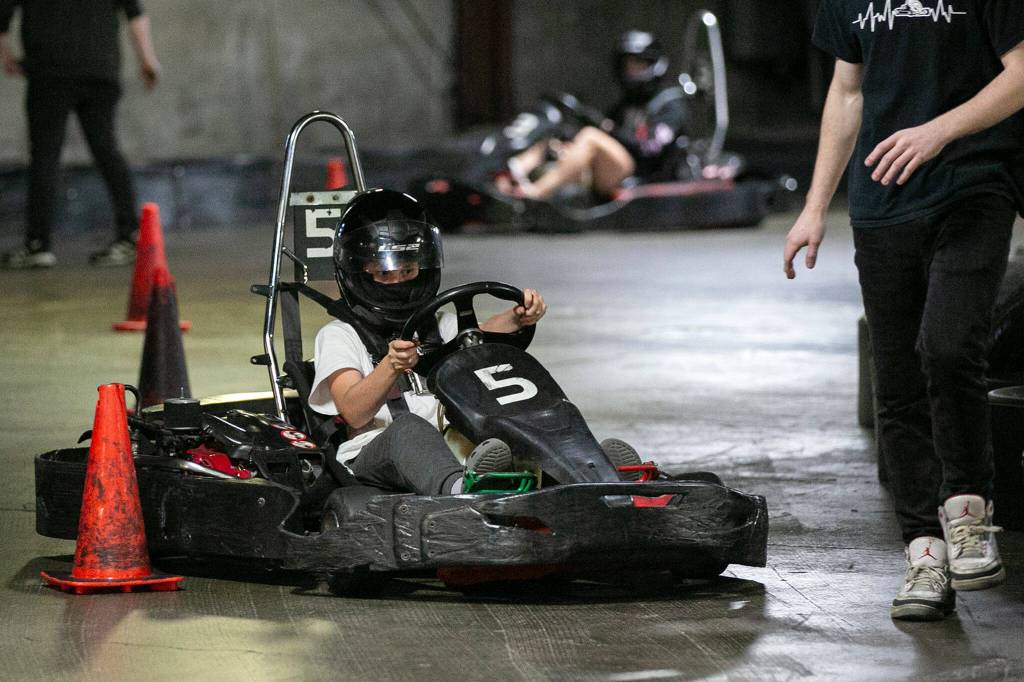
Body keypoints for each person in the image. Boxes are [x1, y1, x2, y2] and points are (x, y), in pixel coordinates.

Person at [784, 1, 1024, 621]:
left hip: (975, 184)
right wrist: (815, 206)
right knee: (896, 381)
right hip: (882, 202)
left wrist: (940, 129)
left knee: (947, 346)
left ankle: (967, 512)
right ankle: (923, 554)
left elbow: (1022, 72)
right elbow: (846, 91)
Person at [308, 189, 548, 496]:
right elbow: (354, 412)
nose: (398, 281)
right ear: (360, 272)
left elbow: (480, 335)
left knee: (513, 404)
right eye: (384, 273)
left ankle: (583, 475)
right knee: (408, 428)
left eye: (407, 270)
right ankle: (463, 491)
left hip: (450, 444)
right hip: (375, 456)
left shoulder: (438, 325)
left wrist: (519, 316)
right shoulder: (339, 335)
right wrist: (390, 366)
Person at [0, 0, 161, 269]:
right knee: (107, 151)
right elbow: (135, 15)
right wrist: (147, 59)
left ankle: (38, 244)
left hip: (50, 72)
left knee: (44, 157)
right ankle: (131, 236)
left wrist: (7, 56)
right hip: (99, 70)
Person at [502, 30, 688, 201]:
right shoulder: (626, 105)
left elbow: (649, 150)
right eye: (627, 65)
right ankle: (510, 175)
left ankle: (535, 193)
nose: (631, 71)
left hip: (645, 174)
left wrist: (608, 129)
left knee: (590, 137)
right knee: (556, 139)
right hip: (614, 168)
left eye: (637, 64)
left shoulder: (670, 105)